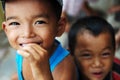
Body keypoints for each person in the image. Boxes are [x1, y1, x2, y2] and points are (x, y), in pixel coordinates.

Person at [2, 0, 77, 80]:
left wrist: (43, 74)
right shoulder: (22, 51)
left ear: (59, 27)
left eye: (40, 22)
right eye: (15, 23)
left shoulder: (65, 68)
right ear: (6, 29)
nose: (27, 34)